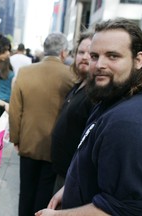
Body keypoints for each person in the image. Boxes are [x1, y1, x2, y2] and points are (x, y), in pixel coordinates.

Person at [35, 18, 142, 216]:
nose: (99, 64)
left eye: (113, 56)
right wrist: (69, 189)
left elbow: (122, 208)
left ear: (138, 60)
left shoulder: (129, 122)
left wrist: (60, 215)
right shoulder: (113, 95)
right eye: (95, 56)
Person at [9, 32, 75, 216]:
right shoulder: (71, 76)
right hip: (54, 146)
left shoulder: (26, 72)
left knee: (26, 191)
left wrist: (15, 137)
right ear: (63, 52)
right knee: (45, 194)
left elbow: (15, 110)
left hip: (28, 142)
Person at [51, 31, 95, 194]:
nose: (84, 57)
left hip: (73, 178)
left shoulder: (95, 93)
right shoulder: (77, 86)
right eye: (81, 52)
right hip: (61, 171)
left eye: (90, 53)